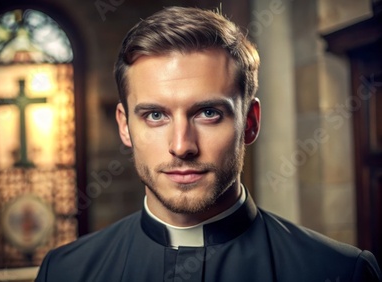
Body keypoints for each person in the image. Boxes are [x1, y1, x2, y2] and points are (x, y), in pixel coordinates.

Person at [36, 6, 381, 282]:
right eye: (155, 115)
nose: (182, 146)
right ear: (125, 127)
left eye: (208, 113)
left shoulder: (338, 272)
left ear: (250, 122)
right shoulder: (65, 272)